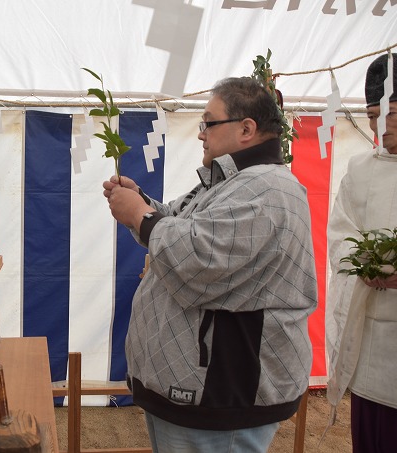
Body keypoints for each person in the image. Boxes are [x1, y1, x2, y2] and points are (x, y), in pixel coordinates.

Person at [102, 76, 317, 452]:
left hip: (224, 394)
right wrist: (145, 204)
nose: (201, 134)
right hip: (202, 389)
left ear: (246, 128)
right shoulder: (233, 181)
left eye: (209, 123)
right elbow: (185, 222)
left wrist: (141, 217)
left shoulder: (267, 188)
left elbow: (201, 258)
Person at [326, 52, 397, 453]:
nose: (380, 126)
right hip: (372, 331)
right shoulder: (361, 168)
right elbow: (341, 232)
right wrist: (362, 263)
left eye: (392, 114)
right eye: (373, 114)